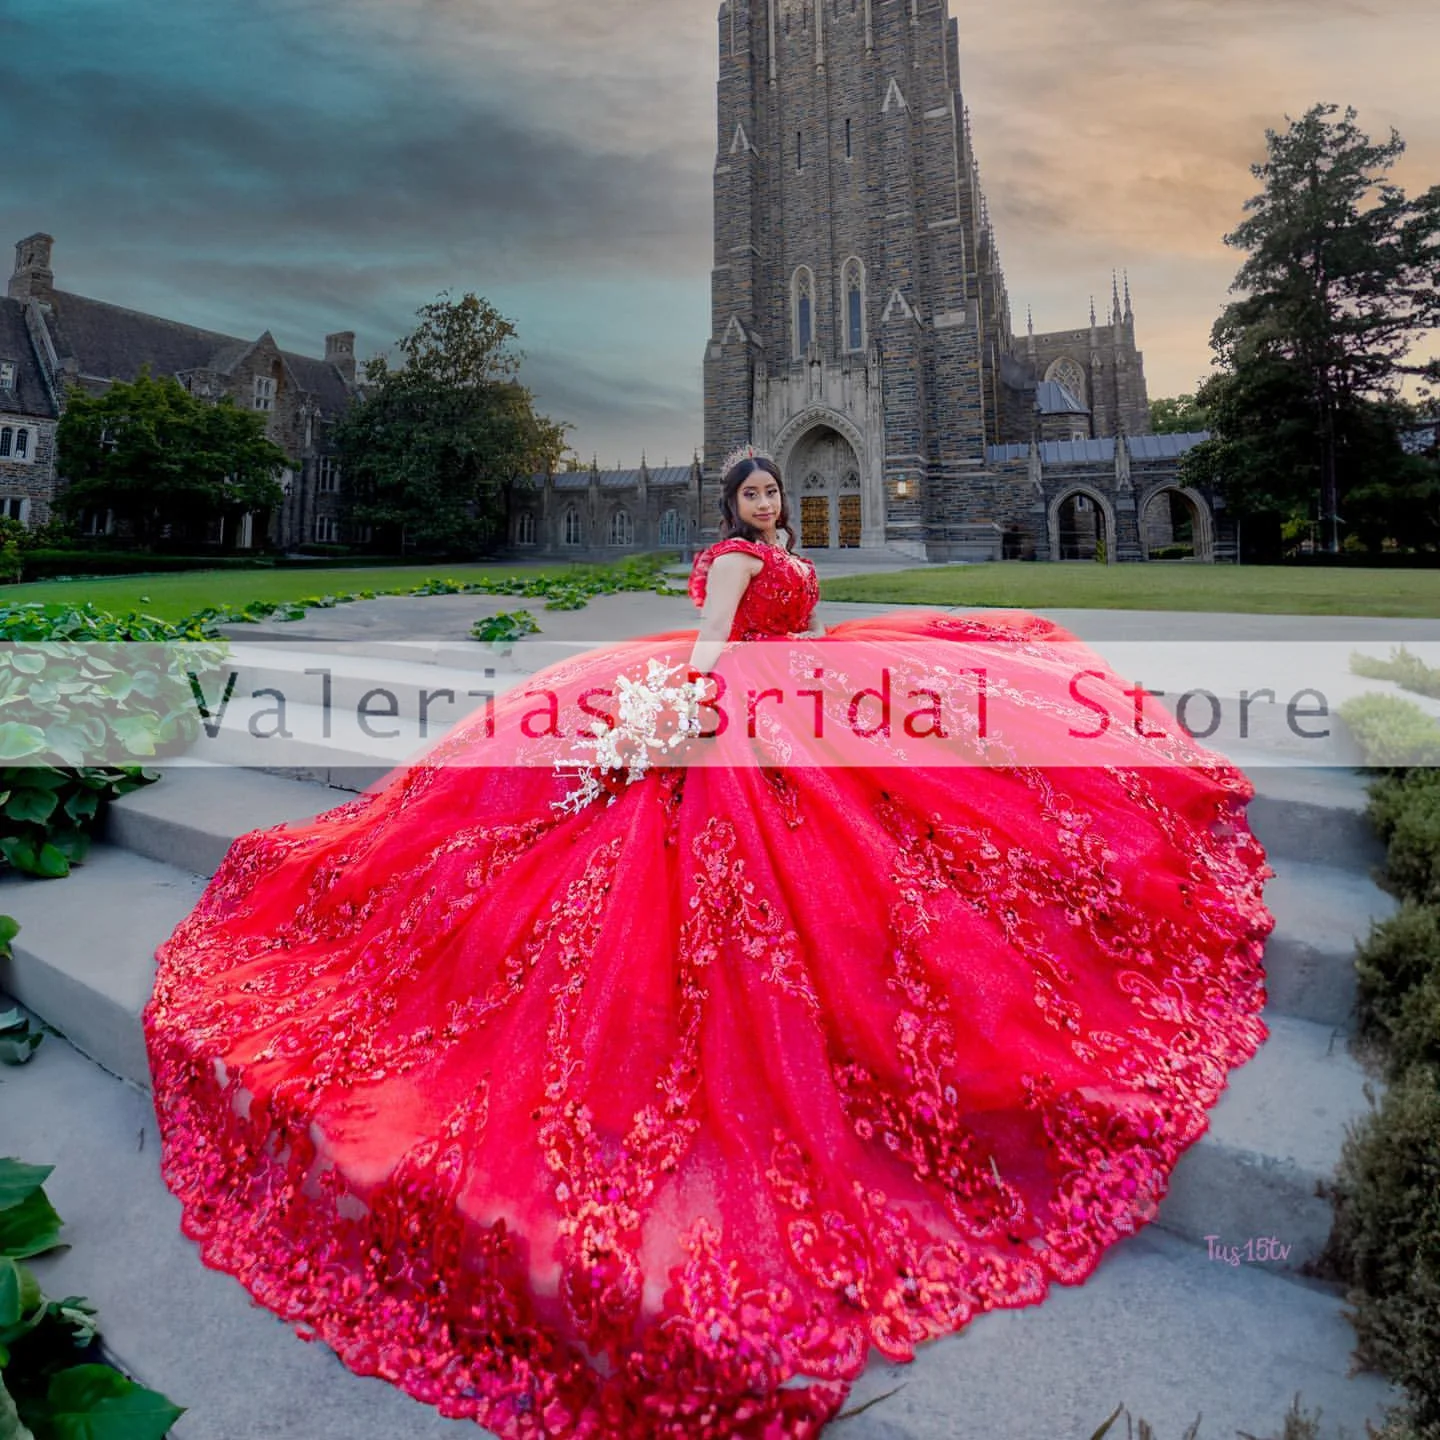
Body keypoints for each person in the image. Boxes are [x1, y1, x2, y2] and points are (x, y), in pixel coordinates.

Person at [145, 445, 1273, 1438]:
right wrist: (683, 717)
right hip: (727, 705)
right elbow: (715, 643)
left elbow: (797, 634)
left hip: (805, 697)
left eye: (778, 487)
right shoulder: (733, 562)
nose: (773, 501)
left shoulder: (782, 550)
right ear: (734, 508)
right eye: (757, 490)